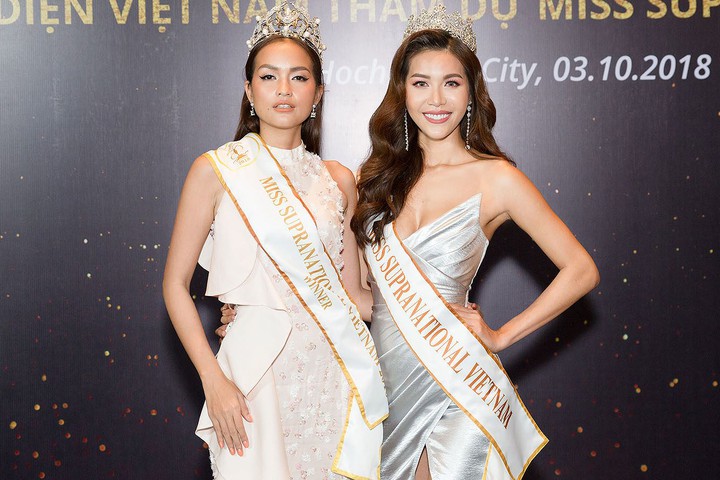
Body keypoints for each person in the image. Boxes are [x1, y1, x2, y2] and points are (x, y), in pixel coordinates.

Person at [350, 6, 600, 480]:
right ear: (402, 92)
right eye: (420, 83)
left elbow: (581, 270)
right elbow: (363, 298)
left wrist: (501, 336)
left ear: (471, 91)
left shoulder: (495, 178)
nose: (436, 98)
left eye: (452, 82)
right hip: (387, 388)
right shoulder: (372, 179)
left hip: (459, 383)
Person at [162, 3, 386, 479]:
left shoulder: (339, 180)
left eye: (299, 77)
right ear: (249, 89)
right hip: (253, 375)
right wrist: (213, 381)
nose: (284, 89)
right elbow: (175, 286)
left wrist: (437, 311)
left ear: (318, 91)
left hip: (332, 375)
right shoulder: (216, 170)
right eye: (268, 77)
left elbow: (353, 297)